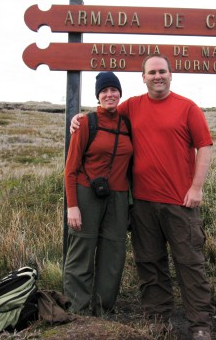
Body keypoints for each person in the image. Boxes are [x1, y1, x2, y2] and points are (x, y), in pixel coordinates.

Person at [71, 54, 214, 340]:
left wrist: (196, 188)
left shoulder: (188, 108)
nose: (157, 76)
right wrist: (79, 118)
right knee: (150, 264)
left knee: (190, 263)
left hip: (180, 202)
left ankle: (199, 324)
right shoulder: (132, 106)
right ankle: (157, 321)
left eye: (162, 71)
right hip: (143, 203)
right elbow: (105, 109)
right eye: (152, 72)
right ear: (143, 77)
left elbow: (205, 147)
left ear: (170, 75)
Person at [63, 71, 133, 316]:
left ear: (120, 94)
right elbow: (70, 169)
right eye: (104, 91)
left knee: (113, 255)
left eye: (114, 90)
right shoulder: (85, 123)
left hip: (118, 197)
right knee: (82, 251)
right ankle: (77, 312)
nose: (109, 94)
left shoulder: (127, 124)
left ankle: (103, 312)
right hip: (86, 194)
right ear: (98, 96)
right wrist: (72, 206)